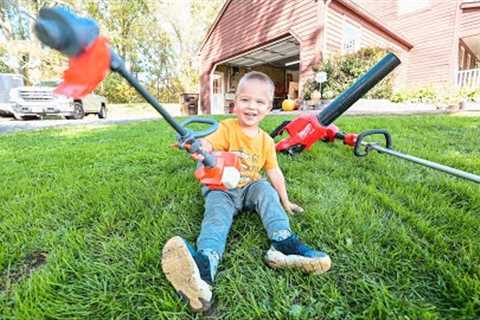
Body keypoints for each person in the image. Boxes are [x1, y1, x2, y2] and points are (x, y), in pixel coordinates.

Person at [161, 71, 331, 313]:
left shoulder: (266, 142)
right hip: (221, 189)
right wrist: (200, 148)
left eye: (259, 102)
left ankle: (282, 243)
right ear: (235, 104)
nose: (251, 107)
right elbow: (208, 144)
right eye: (245, 100)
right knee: (216, 216)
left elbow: (274, 172)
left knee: (265, 188)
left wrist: (286, 201)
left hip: (249, 188)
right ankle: (205, 267)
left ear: (269, 107)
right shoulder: (226, 128)